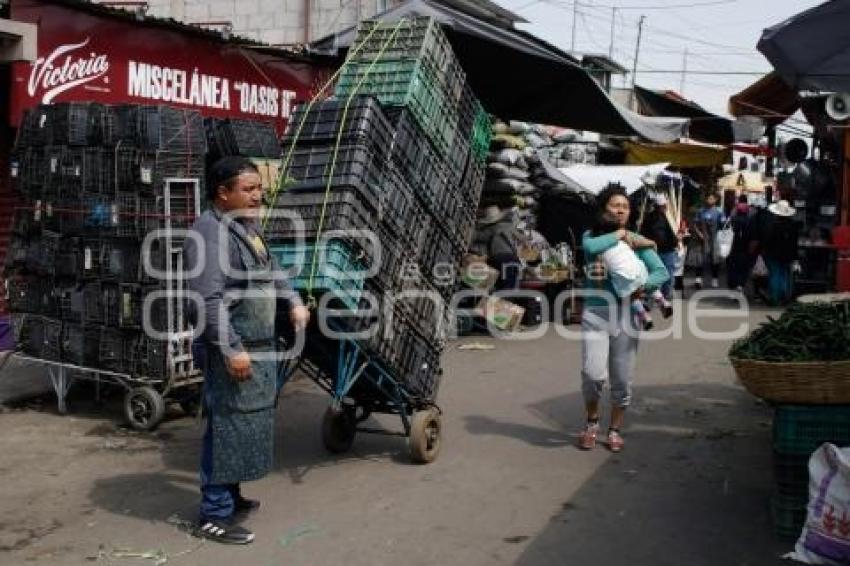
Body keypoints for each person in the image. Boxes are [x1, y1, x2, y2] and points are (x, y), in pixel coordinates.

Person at [184, 157, 310, 544]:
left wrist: (293, 300)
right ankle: (213, 515)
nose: (258, 195)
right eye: (249, 189)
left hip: (255, 347)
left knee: (243, 423)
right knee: (226, 426)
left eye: (259, 188)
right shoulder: (209, 234)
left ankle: (231, 497)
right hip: (231, 349)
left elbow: (270, 269)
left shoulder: (244, 226)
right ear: (223, 193)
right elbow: (206, 301)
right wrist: (231, 349)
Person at [578, 184, 669, 453]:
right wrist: (619, 234)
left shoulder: (637, 242)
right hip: (596, 312)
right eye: (614, 205)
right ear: (604, 209)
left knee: (622, 379)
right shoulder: (593, 236)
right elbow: (588, 246)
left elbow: (661, 272)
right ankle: (592, 421)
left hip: (628, 316)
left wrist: (643, 287)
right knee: (592, 374)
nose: (620, 209)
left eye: (625, 206)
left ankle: (614, 429)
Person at [593, 211, 672, 330]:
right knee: (645, 281)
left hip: (623, 278)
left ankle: (644, 316)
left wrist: (599, 287)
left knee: (629, 297)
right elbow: (637, 242)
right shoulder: (623, 238)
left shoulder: (598, 251)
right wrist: (651, 243)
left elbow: (599, 272)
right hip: (638, 269)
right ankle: (662, 301)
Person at [471, 205, 522, 291]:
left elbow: (476, 236)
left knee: (500, 284)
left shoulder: (491, 230)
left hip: (499, 258)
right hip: (512, 258)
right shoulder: (508, 226)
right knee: (509, 286)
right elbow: (521, 238)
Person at [759, 199, 799, 305]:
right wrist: (795, 257)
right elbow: (795, 243)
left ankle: (775, 298)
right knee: (785, 274)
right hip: (788, 255)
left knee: (775, 274)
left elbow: (767, 240)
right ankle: (784, 297)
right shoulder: (793, 226)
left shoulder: (773, 225)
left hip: (773, 254)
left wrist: (764, 250)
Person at [640, 194, 680, 300]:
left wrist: (676, 241)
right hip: (657, 251)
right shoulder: (652, 218)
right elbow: (644, 233)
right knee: (659, 274)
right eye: (663, 206)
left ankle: (663, 295)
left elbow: (673, 233)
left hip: (665, 250)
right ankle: (659, 295)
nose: (664, 207)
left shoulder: (667, 217)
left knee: (665, 274)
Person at [692, 192, 725, 289]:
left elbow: (724, 225)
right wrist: (699, 234)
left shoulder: (719, 211)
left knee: (715, 260)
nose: (710, 200)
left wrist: (724, 224)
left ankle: (715, 280)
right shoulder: (701, 211)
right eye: (708, 198)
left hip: (715, 239)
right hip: (702, 238)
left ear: (715, 200)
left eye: (712, 198)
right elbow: (695, 224)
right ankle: (698, 280)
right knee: (700, 259)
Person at [726, 194, 755, 292]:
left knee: (733, 265)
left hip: (734, 243)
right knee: (744, 266)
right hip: (746, 244)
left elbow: (728, 225)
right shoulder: (751, 214)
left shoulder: (733, 213)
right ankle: (741, 284)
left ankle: (733, 284)